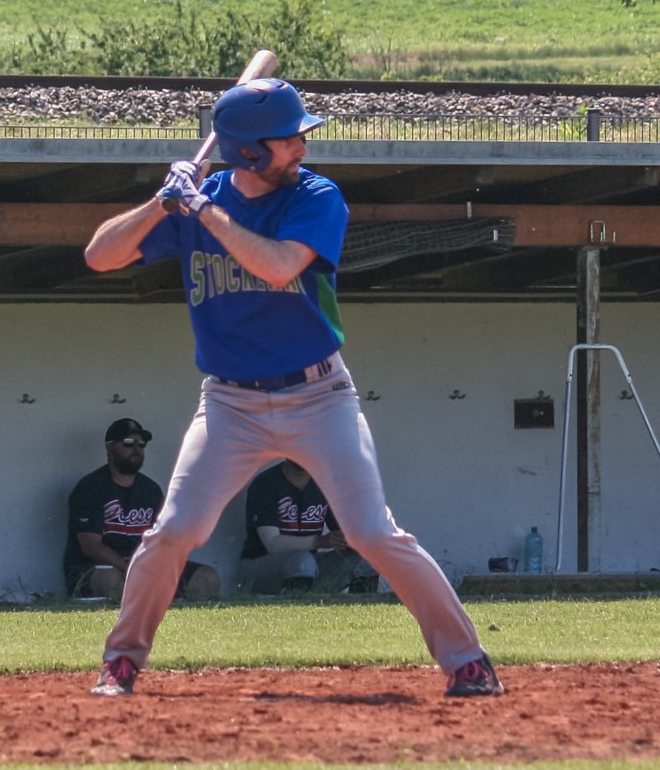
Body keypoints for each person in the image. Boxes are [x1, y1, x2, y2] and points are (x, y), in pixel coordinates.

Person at [79, 78, 501, 699]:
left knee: (371, 532)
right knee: (172, 531)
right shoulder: (202, 197)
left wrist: (198, 209)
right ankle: (122, 662)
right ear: (249, 152)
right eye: (289, 137)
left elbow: (277, 265)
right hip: (229, 403)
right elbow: (99, 256)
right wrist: (158, 203)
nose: (303, 144)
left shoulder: (316, 195)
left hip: (319, 394)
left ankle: (468, 661)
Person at [65, 417, 218, 603]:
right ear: (110, 447)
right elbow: (91, 546)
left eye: (141, 444)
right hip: (98, 568)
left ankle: (178, 622)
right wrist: (127, 566)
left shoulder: (151, 490)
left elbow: (163, 539)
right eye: (128, 443)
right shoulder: (91, 487)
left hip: (143, 566)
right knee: (112, 580)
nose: (136, 449)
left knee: (206, 577)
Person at [238, 459, 365, 595]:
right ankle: (297, 612)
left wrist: (357, 541)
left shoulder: (326, 483)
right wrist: (321, 541)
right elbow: (272, 543)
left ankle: (363, 610)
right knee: (302, 561)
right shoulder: (266, 482)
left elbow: (341, 532)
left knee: (364, 560)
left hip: (308, 567)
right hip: (259, 565)